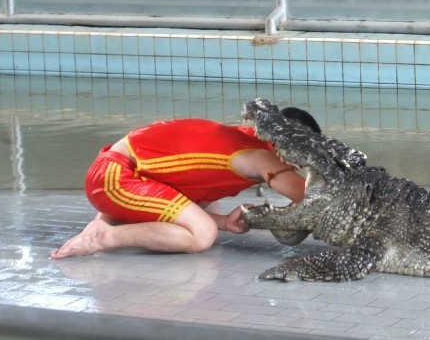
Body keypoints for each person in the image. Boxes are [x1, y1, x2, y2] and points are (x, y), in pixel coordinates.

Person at [50, 107, 321, 259]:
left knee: (211, 205)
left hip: (128, 175)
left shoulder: (250, 140)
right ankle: (104, 237)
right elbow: (313, 201)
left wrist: (225, 221)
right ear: (283, 140)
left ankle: (106, 221)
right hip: (114, 178)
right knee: (202, 235)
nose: (303, 160)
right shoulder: (261, 156)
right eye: (303, 149)